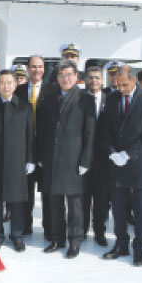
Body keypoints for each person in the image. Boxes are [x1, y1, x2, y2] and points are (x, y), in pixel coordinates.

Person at [101, 65, 142, 266]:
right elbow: (106, 129)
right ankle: (121, 244)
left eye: (125, 84)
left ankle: (139, 248)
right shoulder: (111, 99)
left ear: (135, 80)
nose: (121, 89)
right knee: (118, 209)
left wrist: (128, 154)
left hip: (139, 164)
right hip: (116, 163)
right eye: (118, 85)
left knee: (141, 210)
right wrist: (112, 153)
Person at [37, 60, 96, 259]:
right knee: (54, 202)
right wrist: (40, 156)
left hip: (74, 160)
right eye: (62, 75)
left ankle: (75, 240)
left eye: (69, 75)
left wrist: (86, 161)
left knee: (75, 205)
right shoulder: (49, 98)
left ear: (76, 76)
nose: (66, 79)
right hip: (52, 158)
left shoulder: (85, 99)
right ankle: (57, 238)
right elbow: (42, 130)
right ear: (57, 78)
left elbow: (90, 132)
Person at [0, 70, 34, 251]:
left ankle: (17, 235)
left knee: (17, 201)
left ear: (16, 84)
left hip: (17, 161)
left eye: (9, 82)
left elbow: (30, 137)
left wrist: (30, 159)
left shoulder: (25, 107)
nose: (6, 86)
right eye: (2, 82)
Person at [15, 55, 54, 239]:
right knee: (26, 191)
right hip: (24, 148)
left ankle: (48, 228)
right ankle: (25, 225)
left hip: (46, 149)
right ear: (28, 69)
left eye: (40, 66)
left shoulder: (53, 90)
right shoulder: (19, 91)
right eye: (33, 66)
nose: (36, 70)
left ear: (44, 69)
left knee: (47, 192)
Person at [82, 66, 109, 247]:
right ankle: (81, 230)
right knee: (82, 197)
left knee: (102, 199)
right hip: (82, 157)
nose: (94, 81)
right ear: (85, 80)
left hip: (104, 159)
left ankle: (99, 231)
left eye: (97, 78)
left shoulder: (111, 99)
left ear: (102, 80)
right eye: (90, 78)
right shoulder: (79, 99)